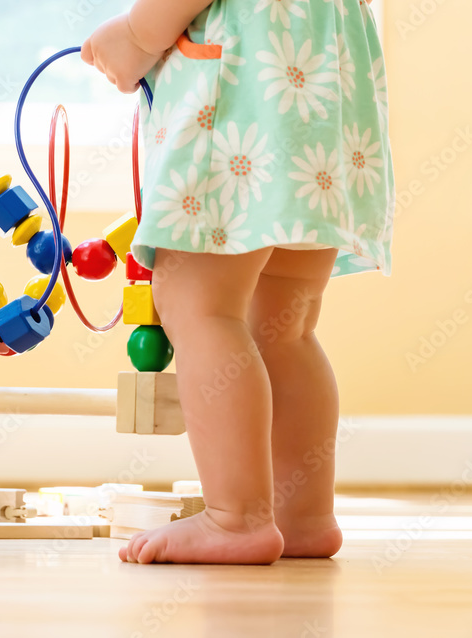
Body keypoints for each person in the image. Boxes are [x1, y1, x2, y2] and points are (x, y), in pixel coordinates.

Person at [81, 0, 393, 564]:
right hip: (324, 89)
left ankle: (236, 518)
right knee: (286, 328)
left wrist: (136, 33)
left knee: (199, 308)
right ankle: (304, 517)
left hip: (242, 91)